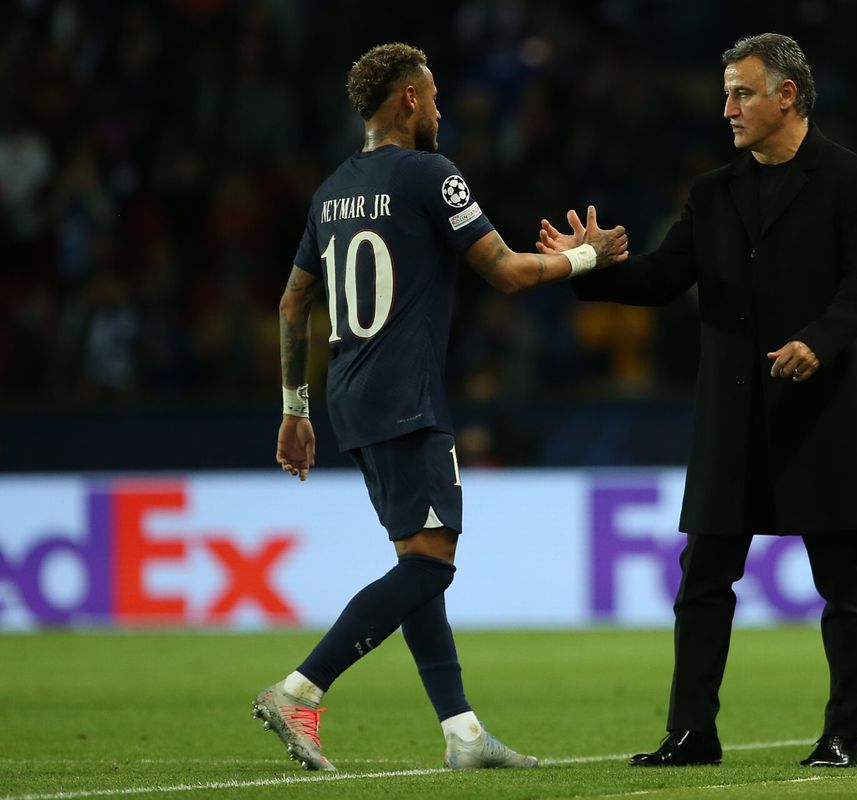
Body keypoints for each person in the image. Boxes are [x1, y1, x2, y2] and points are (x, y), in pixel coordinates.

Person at [257, 42, 627, 773]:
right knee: (432, 566)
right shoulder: (431, 174)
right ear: (409, 101)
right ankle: (299, 688)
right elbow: (510, 273)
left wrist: (294, 408)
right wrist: (588, 257)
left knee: (414, 560)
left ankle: (462, 734)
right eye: (433, 96)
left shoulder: (331, 189)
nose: (440, 110)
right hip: (406, 396)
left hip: (349, 396)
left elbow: (294, 301)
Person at [541, 33, 857, 769]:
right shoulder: (714, 192)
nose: (726, 108)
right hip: (732, 421)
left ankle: (841, 738)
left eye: (742, 92)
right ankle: (692, 733)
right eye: (726, 92)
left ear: (787, 96)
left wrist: (819, 341)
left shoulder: (853, 181)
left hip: (817, 411)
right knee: (703, 582)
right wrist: (588, 263)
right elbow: (664, 279)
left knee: (844, 585)